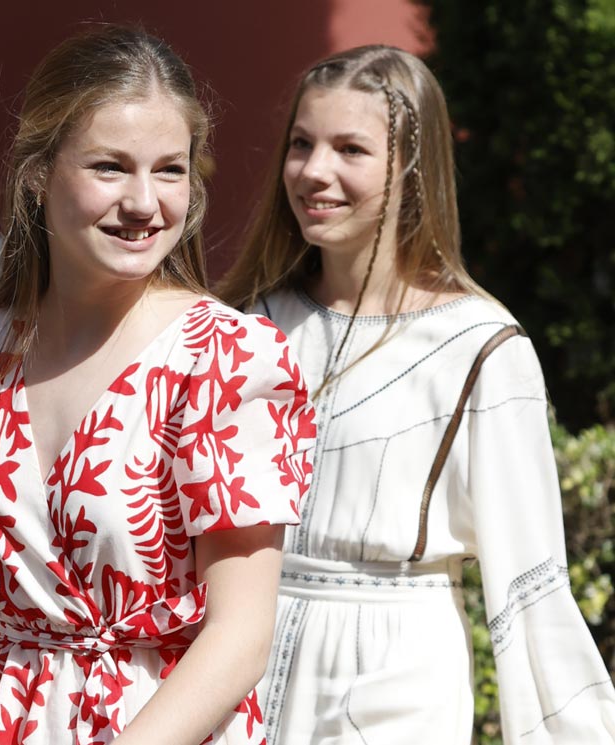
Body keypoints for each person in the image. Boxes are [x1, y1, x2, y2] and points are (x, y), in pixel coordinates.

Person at [0, 25, 316, 745]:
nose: (144, 202)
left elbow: (240, 638)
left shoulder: (222, 359)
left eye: (169, 170)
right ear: (37, 173)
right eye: (109, 167)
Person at [217, 44, 615, 744]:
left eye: (350, 149)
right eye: (302, 144)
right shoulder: (244, 323)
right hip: (235, 658)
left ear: (411, 168)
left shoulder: (479, 345)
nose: (315, 171)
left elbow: (531, 582)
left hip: (393, 667)